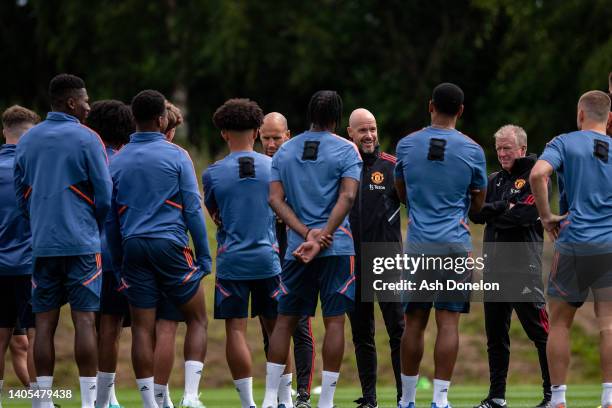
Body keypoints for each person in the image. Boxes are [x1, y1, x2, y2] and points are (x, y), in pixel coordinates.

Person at [106, 89, 212, 408]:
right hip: (169, 245)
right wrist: (204, 255)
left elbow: (110, 218)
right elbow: (193, 209)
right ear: (162, 118)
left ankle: (150, 403)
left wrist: (119, 259)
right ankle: (190, 396)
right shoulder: (176, 154)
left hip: (132, 247)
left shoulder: (118, 159)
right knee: (197, 319)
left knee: (142, 326)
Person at [14, 74, 112, 408]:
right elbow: (105, 196)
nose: (88, 105)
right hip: (82, 244)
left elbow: (20, 194)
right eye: (84, 99)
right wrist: (91, 227)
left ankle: (41, 401)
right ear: (71, 102)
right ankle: (87, 402)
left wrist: (38, 224)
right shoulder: (88, 139)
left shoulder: (27, 141)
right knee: (85, 321)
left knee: (43, 324)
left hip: (42, 245)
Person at [261, 90, 362, 408]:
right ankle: (327, 401)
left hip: (296, 249)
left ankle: (268, 399)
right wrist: (323, 237)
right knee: (334, 322)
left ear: (309, 115)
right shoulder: (348, 150)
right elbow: (346, 197)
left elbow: (274, 199)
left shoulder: (284, 152)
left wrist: (306, 234)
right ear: (337, 117)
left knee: (284, 321)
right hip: (337, 247)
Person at [394, 83, 487, 408]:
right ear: (461, 111)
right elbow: (478, 205)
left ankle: (406, 400)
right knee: (448, 322)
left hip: (419, 246)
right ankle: (440, 400)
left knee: (414, 321)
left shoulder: (406, 145)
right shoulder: (473, 150)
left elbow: (402, 193)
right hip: (454, 245)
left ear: (430, 105)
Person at [202, 98, 287, 408]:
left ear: (224, 133)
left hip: (232, 261)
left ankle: (248, 403)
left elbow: (215, 214)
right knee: (276, 326)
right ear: (256, 131)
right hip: (268, 258)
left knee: (236, 329)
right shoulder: (275, 167)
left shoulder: (212, 174)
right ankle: (281, 399)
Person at [530, 90, 612, 408]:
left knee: (561, 322)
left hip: (575, 242)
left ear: (580, 114)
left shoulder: (564, 142)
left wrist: (546, 215)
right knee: (608, 323)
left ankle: (559, 399)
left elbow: (539, 174)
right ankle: (608, 396)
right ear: (607, 118)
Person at [470, 125, 551, 408]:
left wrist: (498, 211)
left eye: (508, 148)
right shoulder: (493, 179)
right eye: (499, 148)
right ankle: (496, 397)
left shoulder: (535, 176)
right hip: (494, 268)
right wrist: (505, 207)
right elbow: (476, 214)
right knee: (495, 335)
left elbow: (526, 215)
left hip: (523, 266)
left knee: (540, 333)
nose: (502, 153)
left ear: (522, 150)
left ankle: (552, 395)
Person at [346, 108, 405, 408]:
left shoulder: (393, 167)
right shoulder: (343, 168)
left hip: (387, 261)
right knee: (361, 334)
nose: (369, 135)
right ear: (350, 133)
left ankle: (403, 397)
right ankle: (369, 398)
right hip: (351, 261)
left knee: (398, 330)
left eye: (373, 129)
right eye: (362, 130)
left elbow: (416, 205)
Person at [259, 112, 316, 408]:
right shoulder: (256, 169)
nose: (270, 144)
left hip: (294, 252)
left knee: (300, 327)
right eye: (266, 137)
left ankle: (302, 396)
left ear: (288, 135)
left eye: (276, 137)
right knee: (270, 328)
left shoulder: (298, 167)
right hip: (264, 256)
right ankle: (281, 395)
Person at [86, 99, 134, 408]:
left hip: (86, 250)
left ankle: (91, 395)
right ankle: (107, 397)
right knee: (112, 328)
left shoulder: (87, 157)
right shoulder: (126, 161)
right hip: (117, 253)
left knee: (87, 324)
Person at [0, 105, 39, 404]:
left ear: (4, 131)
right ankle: (42, 400)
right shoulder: (37, 170)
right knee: (38, 335)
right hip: (30, 266)